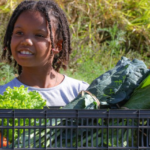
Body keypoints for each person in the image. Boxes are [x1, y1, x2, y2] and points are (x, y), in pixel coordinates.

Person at [0, 0, 89, 106]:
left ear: (58, 45)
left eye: (39, 35)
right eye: (19, 33)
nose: (26, 41)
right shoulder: (3, 95)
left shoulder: (80, 93)